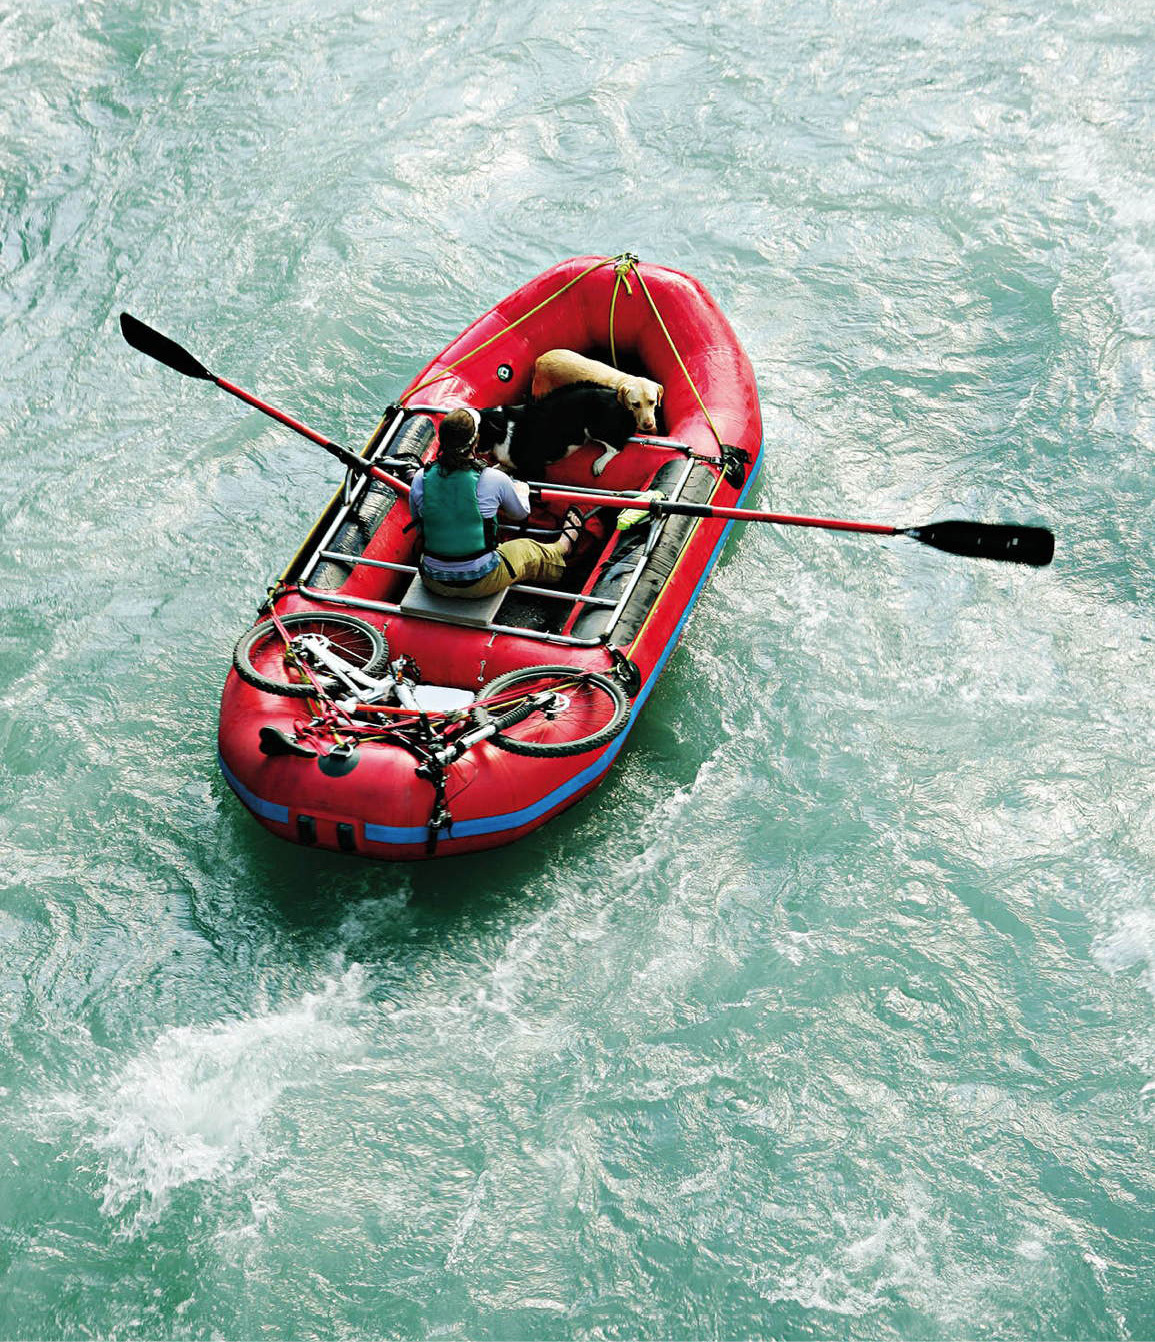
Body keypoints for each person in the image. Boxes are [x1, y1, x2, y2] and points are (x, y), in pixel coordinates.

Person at [408, 408, 582, 599]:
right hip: (480, 582)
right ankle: (563, 547)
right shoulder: (494, 478)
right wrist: (522, 492)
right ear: (475, 441)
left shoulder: (420, 478)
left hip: (432, 579)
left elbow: (420, 527)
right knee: (526, 548)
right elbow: (520, 514)